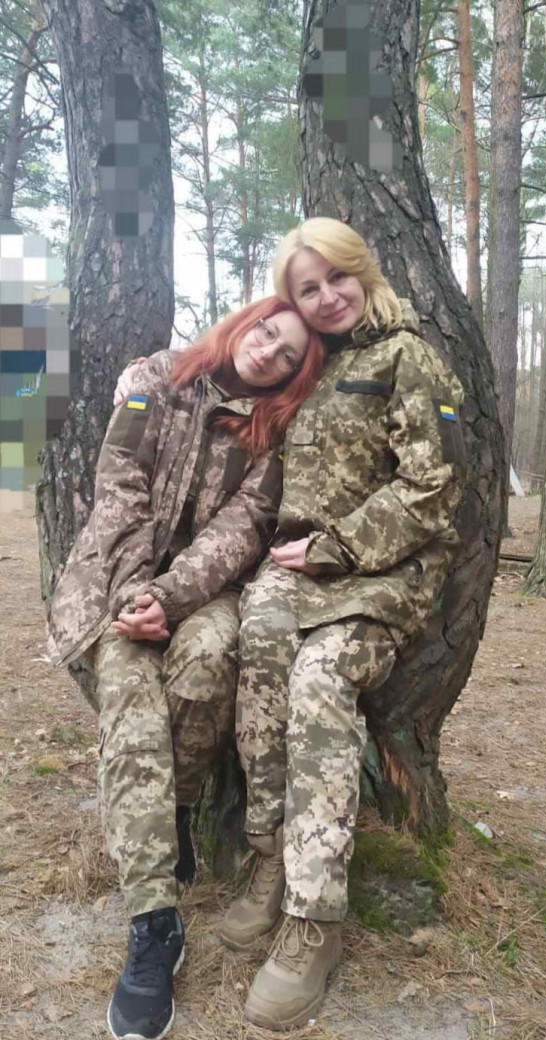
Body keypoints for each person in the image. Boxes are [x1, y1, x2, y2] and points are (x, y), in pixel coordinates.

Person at [47, 296, 324, 1040]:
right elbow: (117, 492)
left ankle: (172, 810)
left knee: (206, 660)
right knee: (133, 691)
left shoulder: (273, 435)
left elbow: (241, 532)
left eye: (289, 356)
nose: (268, 352)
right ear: (245, 321)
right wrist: (136, 595)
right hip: (113, 582)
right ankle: (155, 922)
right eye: (267, 331)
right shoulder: (156, 380)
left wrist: (169, 598)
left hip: (204, 594)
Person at [218, 218, 467, 1031]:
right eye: (307, 288)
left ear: (363, 271)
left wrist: (339, 547)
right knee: (258, 641)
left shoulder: (407, 357)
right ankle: (270, 856)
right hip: (300, 568)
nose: (326, 298)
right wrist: (145, 378)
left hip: (381, 572)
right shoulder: (309, 364)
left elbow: (435, 488)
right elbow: (229, 375)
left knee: (321, 677)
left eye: (336, 279)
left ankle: (314, 918)